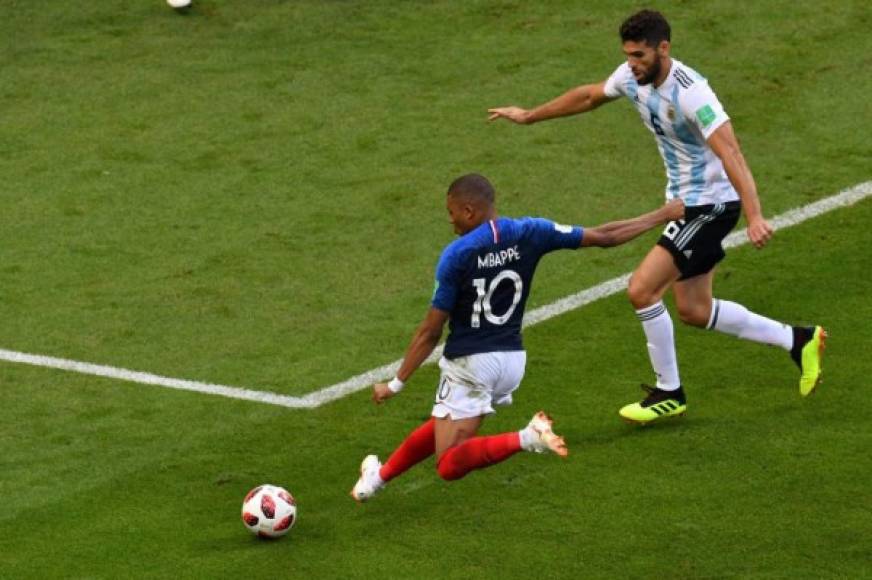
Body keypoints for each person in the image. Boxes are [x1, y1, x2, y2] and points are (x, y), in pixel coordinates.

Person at [487, 9, 826, 425]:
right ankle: (799, 339)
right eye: (628, 55)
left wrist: (755, 215)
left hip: (710, 205)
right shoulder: (633, 76)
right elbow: (590, 95)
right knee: (694, 310)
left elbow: (731, 152)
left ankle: (670, 391)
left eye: (640, 55)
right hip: (686, 202)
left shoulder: (692, 92)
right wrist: (529, 115)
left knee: (642, 290)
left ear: (663, 49)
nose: (632, 63)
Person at [351, 173, 683, 501]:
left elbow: (430, 331)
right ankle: (377, 478)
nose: (451, 223)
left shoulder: (457, 254)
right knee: (445, 419)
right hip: (511, 361)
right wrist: (661, 215)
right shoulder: (530, 231)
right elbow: (605, 236)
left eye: (452, 213)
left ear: (469, 211)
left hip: (471, 364)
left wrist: (395, 384)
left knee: (449, 464)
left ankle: (527, 437)